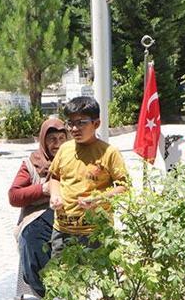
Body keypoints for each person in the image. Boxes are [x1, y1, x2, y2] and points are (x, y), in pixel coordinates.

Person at [48, 96, 129, 257]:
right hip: (62, 231)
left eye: (81, 122)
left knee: (96, 280)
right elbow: (54, 177)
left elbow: (124, 187)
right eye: (70, 123)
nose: (74, 128)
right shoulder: (64, 149)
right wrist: (55, 195)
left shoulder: (109, 152)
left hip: (95, 233)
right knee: (60, 278)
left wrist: (99, 199)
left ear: (96, 123)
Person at [8, 118, 67, 297]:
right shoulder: (33, 163)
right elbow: (14, 195)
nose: (57, 144)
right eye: (52, 139)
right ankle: (46, 291)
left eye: (61, 139)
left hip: (71, 212)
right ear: (43, 140)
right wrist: (43, 189)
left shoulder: (75, 160)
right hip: (40, 213)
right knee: (32, 238)